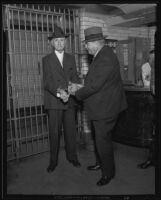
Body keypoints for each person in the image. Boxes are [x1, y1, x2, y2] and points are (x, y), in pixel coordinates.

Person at [68, 26, 128, 186]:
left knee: (103, 142)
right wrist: (80, 86)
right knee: (99, 139)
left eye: (87, 43)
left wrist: (76, 92)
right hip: (101, 106)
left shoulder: (105, 58)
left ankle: (108, 173)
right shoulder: (102, 55)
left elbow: (94, 86)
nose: (85, 46)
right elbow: (95, 83)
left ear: (95, 43)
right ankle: (100, 163)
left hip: (105, 109)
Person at [42, 25, 81, 173]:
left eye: (62, 40)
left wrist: (76, 86)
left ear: (65, 42)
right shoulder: (46, 60)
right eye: (56, 40)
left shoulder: (71, 58)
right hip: (55, 101)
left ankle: (73, 157)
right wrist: (60, 93)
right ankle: (53, 161)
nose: (59, 43)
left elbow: (75, 76)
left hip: (70, 101)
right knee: (54, 133)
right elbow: (48, 82)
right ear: (52, 43)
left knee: (71, 132)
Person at [137, 49, 155, 169]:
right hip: (153, 102)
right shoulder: (148, 67)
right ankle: (151, 159)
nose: (151, 61)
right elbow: (149, 85)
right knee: (154, 132)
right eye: (150, 59)